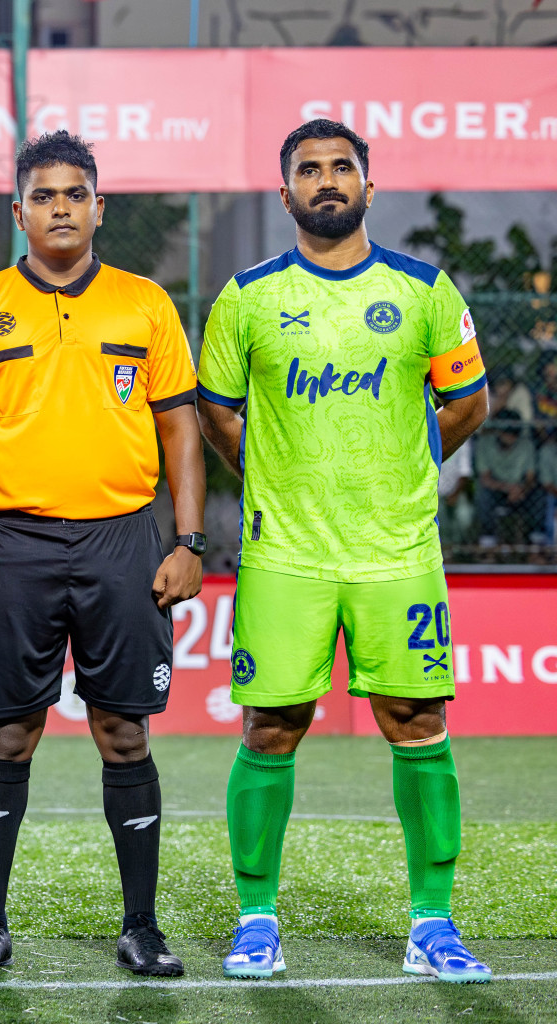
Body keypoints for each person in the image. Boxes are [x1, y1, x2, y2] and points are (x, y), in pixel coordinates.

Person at [198, 119, 490, 983]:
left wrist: (407, 465)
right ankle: (257, 921)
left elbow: (468, 401)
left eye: (342, 169)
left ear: (370, 184)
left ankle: (431, 924)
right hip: (285, 552)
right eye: (308, 171)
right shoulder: (245, 297)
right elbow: (218, 410)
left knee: (420, 725)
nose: (327, 182)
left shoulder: (427, 290)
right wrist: (266, 471)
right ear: (284, 192)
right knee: (271, 727)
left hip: (399, 550)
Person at [0, 131, 204, 978]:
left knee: (125, 732)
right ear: (19, 211)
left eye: (75, 194)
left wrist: (188, 540)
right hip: (14, 544)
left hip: (123, 539)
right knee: (11, 734)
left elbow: (179, 429)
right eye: (43, 196)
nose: (60, 208)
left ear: (98, 206)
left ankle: (142, 926)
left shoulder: (144, 304)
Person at [474, 417, 540, 544]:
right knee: (483, 494)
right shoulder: (485, 443)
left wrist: (521, 490)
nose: (511, 438)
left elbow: (530, 478)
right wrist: (507, 488)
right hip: (497, 489)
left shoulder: (526, 445)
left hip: (521, 490)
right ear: (499, 432)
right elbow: (485, 478)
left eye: (514, 435)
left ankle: (536, 543)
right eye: (507, 434)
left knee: (538, 495)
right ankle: (488, 540)